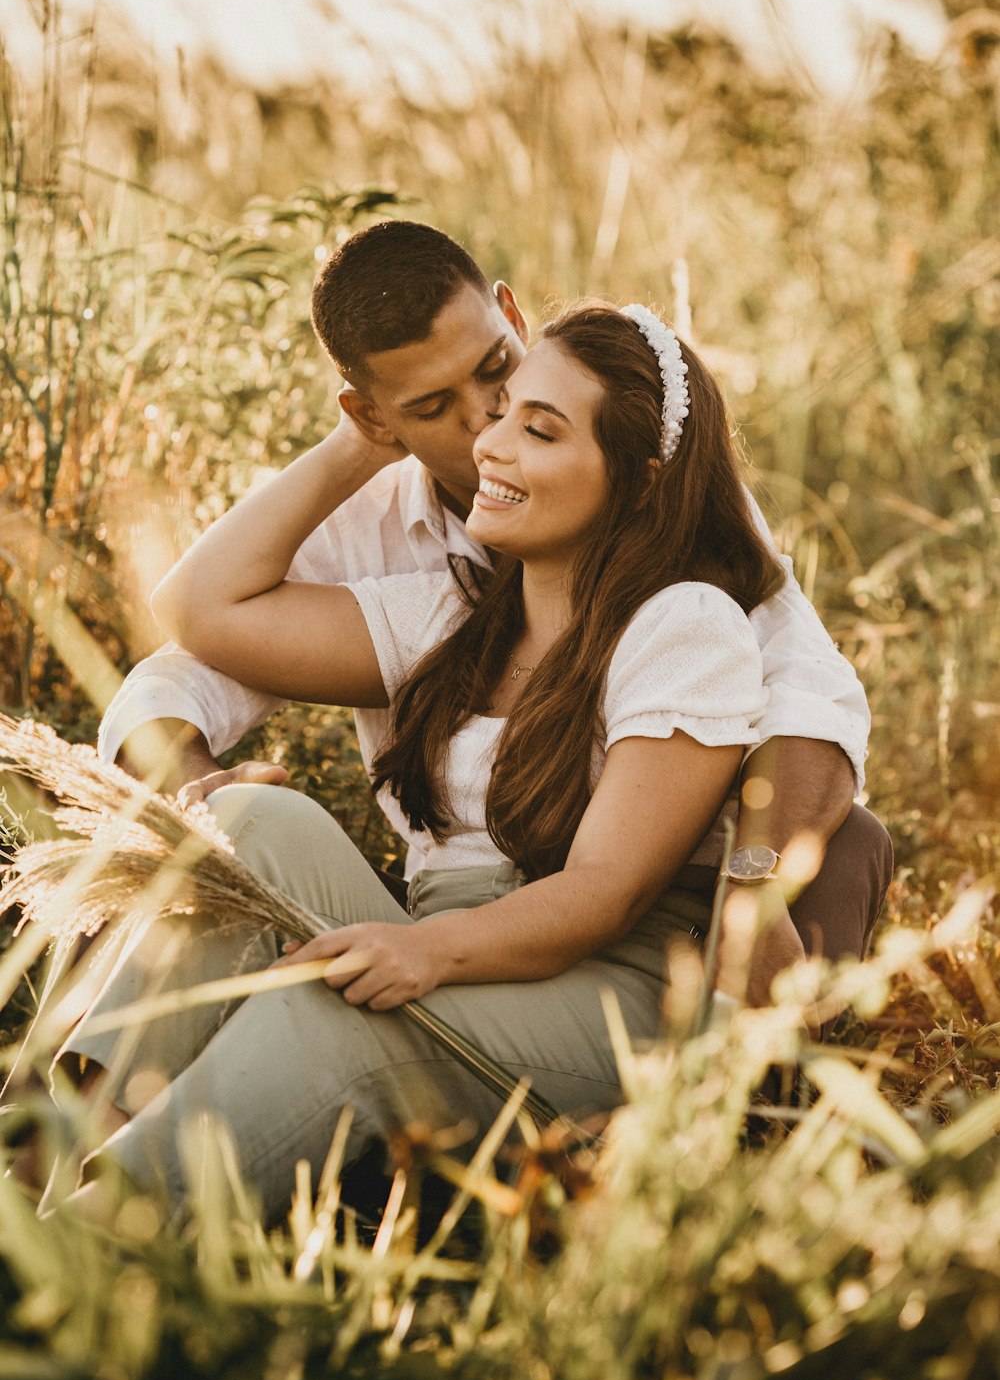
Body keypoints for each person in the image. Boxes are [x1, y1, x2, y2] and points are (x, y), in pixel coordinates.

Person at [66, 300, 782, 1221]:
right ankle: (58, 1162)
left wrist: (425, 950)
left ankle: (92, 1249)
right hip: (456, 953)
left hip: (610, 1001)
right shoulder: (455, 613)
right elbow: (202, 608)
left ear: (640, 484)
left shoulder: (685, 624)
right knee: (245, 826)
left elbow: (608, 891)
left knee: (337, 1009)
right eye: (505, 410)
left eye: (541, 429)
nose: (491, 442)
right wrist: (366, 437)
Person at [97, 221, 891, 1004]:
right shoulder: (370, 538)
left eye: (496, 370)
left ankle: (758, 1095)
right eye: (434, 405)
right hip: (455, 902)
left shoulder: (657, 498)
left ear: (514, 318)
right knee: (235, 836)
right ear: (375, 415)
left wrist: (754, 881)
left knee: (848, 837)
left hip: (648, 899)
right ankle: (72, 1118)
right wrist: (192, 783)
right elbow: (189, 646)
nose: (484, 420)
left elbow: (806, 694)